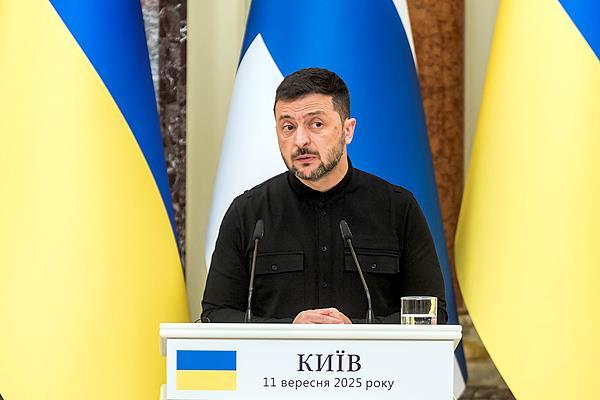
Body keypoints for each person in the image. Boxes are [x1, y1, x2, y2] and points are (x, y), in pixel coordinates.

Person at [201, 67, 447, 324]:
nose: (300, 141)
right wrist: (289, 330)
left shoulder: (397, 209)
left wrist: (356, 331)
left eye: (316, 124)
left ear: (347, 130)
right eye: (288, 127)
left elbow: (431, 315)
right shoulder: (249, 213)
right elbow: (215, 314)